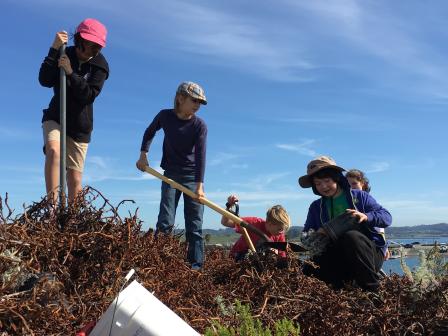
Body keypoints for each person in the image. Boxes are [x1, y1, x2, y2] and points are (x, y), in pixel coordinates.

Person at [136, 82, 208, 270]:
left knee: (194, 224)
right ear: (180, 98)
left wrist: (200, 186)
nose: (197, 105)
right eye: (194, 100)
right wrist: (143, 155)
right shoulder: (165, 116)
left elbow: (201, 155)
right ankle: (159, 262)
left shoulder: (199, 125)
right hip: (171, 176)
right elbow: (149, 132)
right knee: (165, 221)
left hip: (192, 177)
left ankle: (196, 266)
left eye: (200, 102)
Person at [39, 18, 109, 204]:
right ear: (79, 40)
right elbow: (45, 80)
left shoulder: (100, 66)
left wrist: (71, 73)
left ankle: (73, 221)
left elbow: (88, 95)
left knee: (75, 179)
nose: (92, 51)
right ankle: (52, 209)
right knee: (54, 151)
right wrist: (54, 49)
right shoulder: (64, 53)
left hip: (80, 126)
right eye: (89, 44)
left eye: (97, 47)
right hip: (56, 117)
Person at [299, 156, 392, 291]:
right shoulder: (316, 207)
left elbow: (387, 217)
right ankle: (337, 293)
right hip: (340, 257)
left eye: (327, 181)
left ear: (336, 178)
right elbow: (307, 232)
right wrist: (317, 234)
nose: (323, 186)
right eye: (318, 183)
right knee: (309, 267)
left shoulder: (359, 197)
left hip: (369, 256)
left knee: (351, 237)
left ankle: (374, 291)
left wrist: (365, 216)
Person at [221, 195, 291, 261]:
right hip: (237, 257)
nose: (282, 232)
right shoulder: (254, 223)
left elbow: (282, 257)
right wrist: (229, 205)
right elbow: (225, 222)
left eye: (284, 230)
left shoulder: (279, 235)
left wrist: (276, 254)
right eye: (280, 229)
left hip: (256, 262)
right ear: (270, 224)